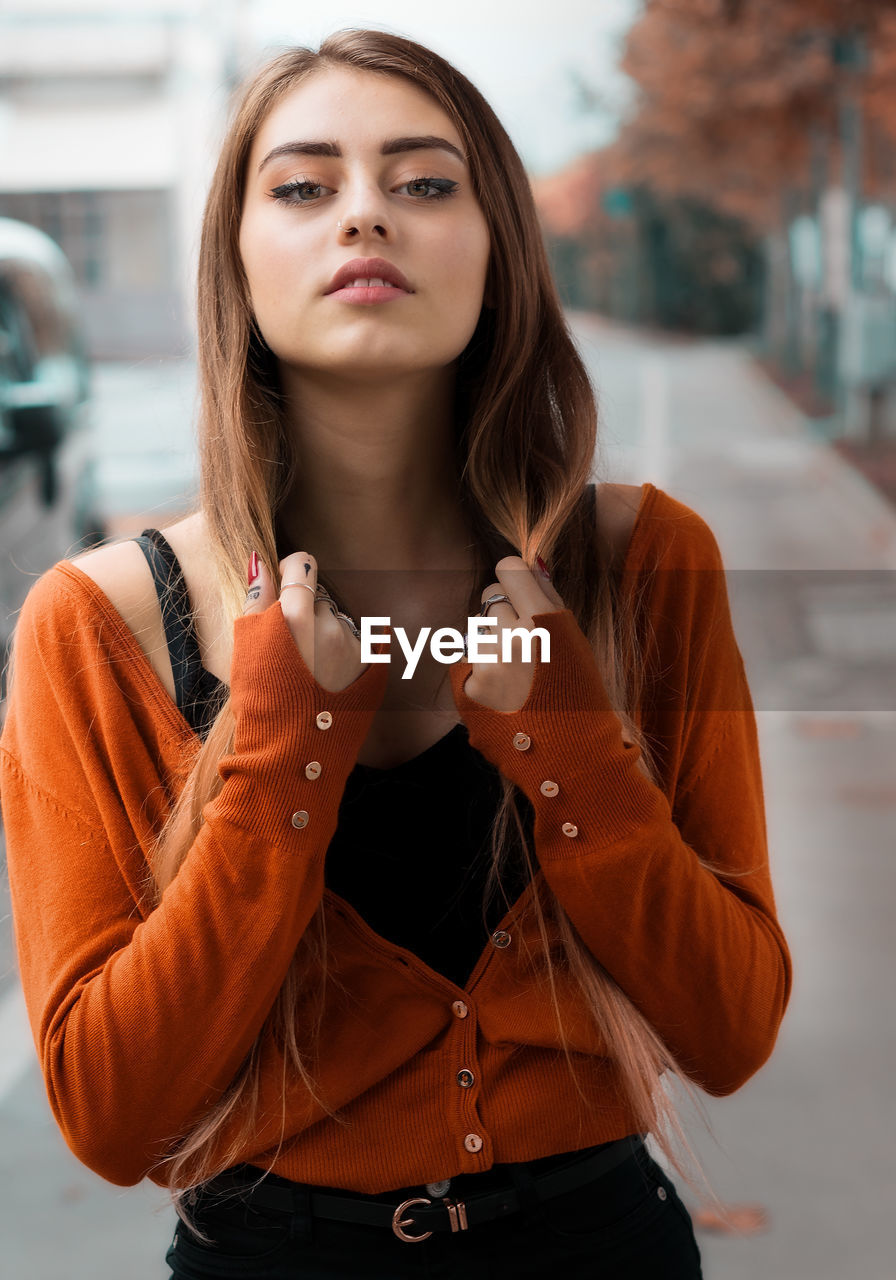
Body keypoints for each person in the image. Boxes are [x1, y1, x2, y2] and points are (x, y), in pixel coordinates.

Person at [0, 29, 792, 1279]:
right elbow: (112, 1113)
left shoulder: (642, 561)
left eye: (425, 183)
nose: (364, 215)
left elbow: (730, 1026)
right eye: (304, 186)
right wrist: (272, 754)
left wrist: (572, 749)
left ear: (495, 250)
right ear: (238, 258)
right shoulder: (100, 621)